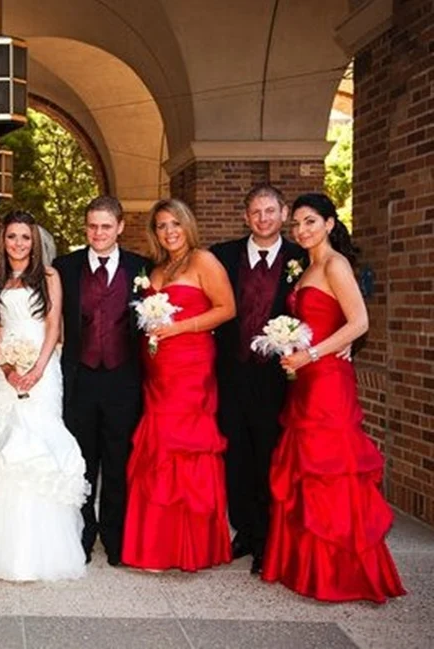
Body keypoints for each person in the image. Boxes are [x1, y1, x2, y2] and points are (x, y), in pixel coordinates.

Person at [262, 193, 405, 603]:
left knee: (331, 470)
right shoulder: (307, 267)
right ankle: (306, 566)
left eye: (310, 222)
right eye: (298, 225)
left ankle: (341, 572)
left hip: (327, 381)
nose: (302, 230)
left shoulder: (336, 264)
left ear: (329, 223)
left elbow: (360, 321)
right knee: (306, 469)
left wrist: (313, 352)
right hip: (305, 381)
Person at [0, 211, 89, 581]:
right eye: (11, 237)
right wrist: (7, 366)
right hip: (4, 376)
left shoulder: (50, 277)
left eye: (25, 237)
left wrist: (38, 368)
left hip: (43, 372)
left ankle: (44, 551)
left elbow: (54, 324)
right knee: (5, 446)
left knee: (40, 446)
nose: (18, 244)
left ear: (35, 241)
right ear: (3, 241)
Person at [121, 198, 235, 571]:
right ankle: (155, 544)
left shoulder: (203, 261)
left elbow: (226, 308)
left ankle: (190, 546)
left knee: (181, 445)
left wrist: (178, 328)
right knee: (157, 447)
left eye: (175, 224)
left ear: (188, 225)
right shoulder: (156, 268)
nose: (169, 232)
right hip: (157, 370)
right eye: (161, 226)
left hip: (190, 366)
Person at [210, 184, 308, 574]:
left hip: (276, 379)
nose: (263, 218)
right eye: (255, 212)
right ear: (245, 216)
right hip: (231, 373)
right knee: (235, 456)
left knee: (270, 455)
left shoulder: (301, 257)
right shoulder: (223, 256)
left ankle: (268, 538)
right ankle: (246, 531)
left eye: (270, 211)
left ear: (283, 214)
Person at [53, 195, 150, 565]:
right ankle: (82, 532)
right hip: (80, 378)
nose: (98, 233)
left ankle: (115, 536)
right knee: (81, 462)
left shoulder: (142, 268)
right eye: (92, 226)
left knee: (118, 461)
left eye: (106, 226)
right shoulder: (65, 267)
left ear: (120, 227)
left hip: (123, 380)